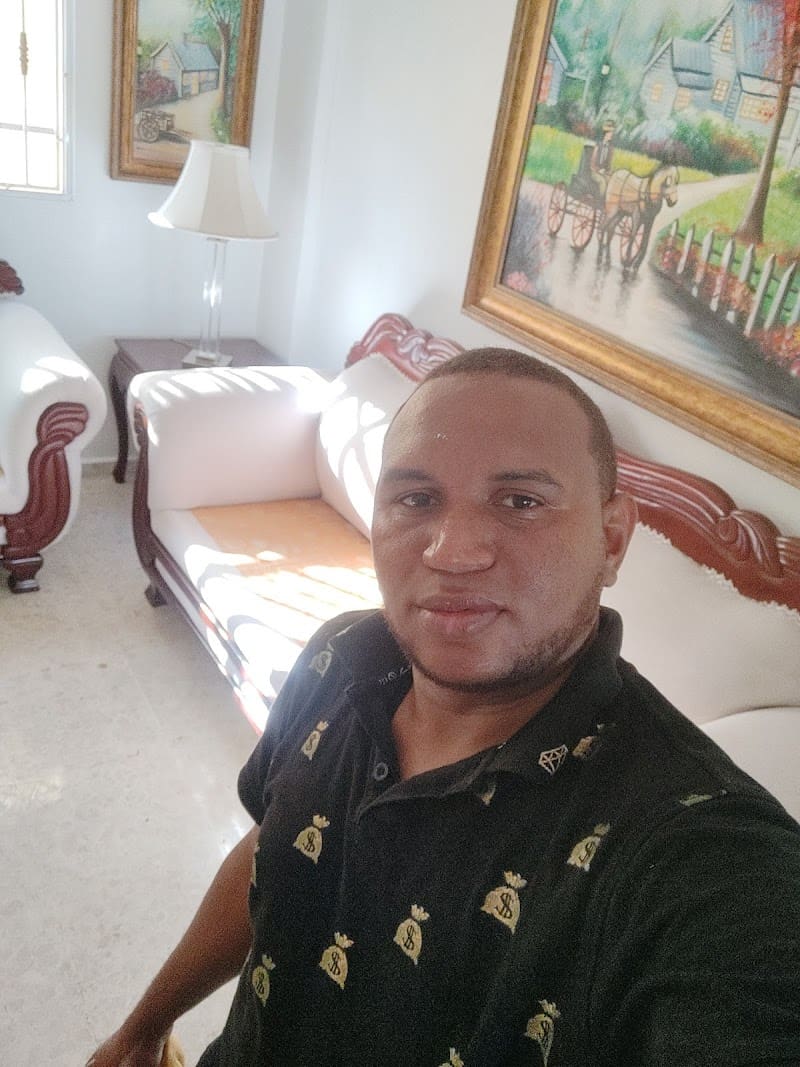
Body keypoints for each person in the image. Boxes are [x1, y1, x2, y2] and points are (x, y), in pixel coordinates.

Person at [89, 348, 800, 1066]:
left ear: (611, 539)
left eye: (521, 502)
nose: (452, 553)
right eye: (417, 499)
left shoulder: (698, 853)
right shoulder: (340, 656)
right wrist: (144, 1025)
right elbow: (274, 849)